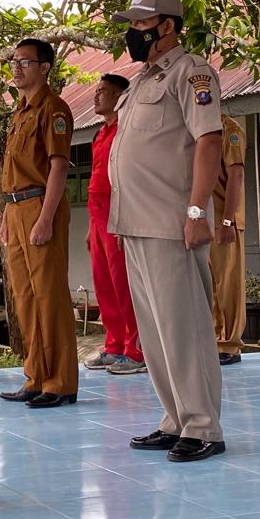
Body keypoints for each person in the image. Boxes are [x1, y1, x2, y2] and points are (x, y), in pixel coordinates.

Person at [107, 0, 226, 463]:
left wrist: (197, 212)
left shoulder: (192, 72)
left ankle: (203, 426)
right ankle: (175, 418)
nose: (133, 33)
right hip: (135, 221)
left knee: (184, 327)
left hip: (173, 221)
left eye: (141, 24)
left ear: (169, 26)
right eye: (131, 24)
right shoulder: (140, 81)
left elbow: (209, 141)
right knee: (155, 330)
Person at [0, 38, 78, 408]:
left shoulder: (54, 109)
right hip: (15, 210)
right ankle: (36, 377)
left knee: (49, 295)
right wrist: (6, 220)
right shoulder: (20, 112)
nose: (16, 68)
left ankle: (60, 382)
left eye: (25, 62)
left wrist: (46, 217)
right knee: (24, 298)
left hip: (39, 204)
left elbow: (59, 166)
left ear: (44, 68)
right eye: (14, 62)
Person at [84, 74, 146, 375]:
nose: (96, 97)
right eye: (96, 91)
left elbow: (130, 179)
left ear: (121, 97)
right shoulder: (101, 132)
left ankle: (137, 350)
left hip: (117, 212)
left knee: (124, 283)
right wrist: (90, 228)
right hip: (97, 216)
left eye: (103, 92)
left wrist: (124, 219)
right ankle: (115, 344)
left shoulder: (126, 130)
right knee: (104, 283)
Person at [211, 114, 247, 366]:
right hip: (199, 218)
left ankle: (229, 343)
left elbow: (236, 176)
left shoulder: (229, 130)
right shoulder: (193, 128)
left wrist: (228, 221)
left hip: (223, 220)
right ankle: (211, 339)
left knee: (227, 285)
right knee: (207, 285)